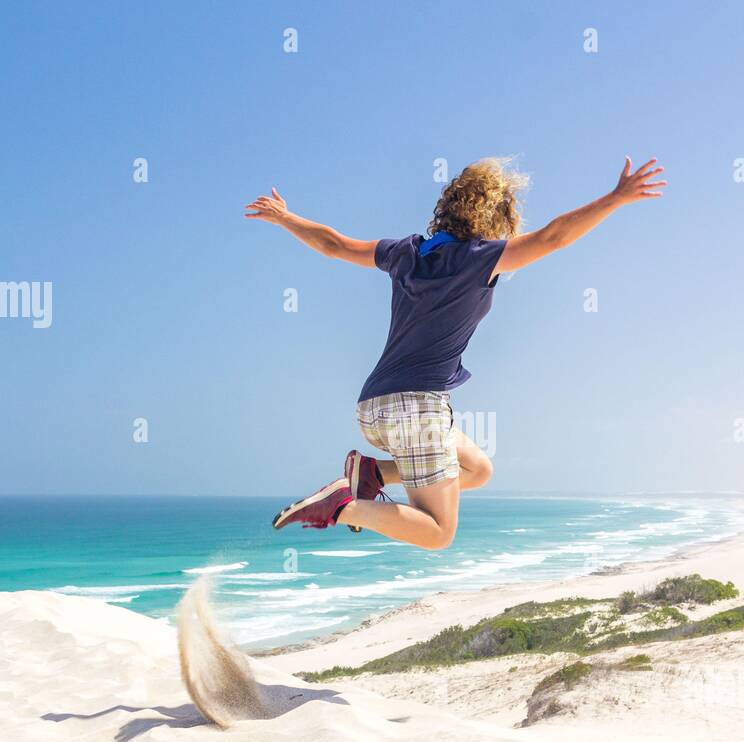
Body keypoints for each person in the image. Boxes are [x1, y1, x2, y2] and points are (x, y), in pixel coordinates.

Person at [245, 155, 665, 550]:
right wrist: (616, 198)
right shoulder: (479, 259)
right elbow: (554, 238)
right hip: (417, 410)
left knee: (478, 470)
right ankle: (339, 507)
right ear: (497, 217)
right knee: (439, 532)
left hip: (373, 408)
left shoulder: (404, 253)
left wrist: (286, 217)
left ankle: (371, 473)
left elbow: (334, 245)